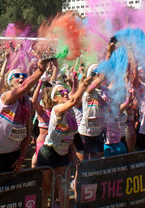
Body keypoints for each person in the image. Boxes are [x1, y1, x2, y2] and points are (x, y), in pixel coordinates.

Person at [0, 59, 49, 174]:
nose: (21, 77)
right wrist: (40, 70)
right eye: (16, 76)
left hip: (14, 153)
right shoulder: (6, 97)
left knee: (10, 186)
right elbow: (24, 88)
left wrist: (22, 156)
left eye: (24, 75)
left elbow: (27, 132)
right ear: (9, 82)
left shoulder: (27, 103)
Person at [37, 77, 92, 208]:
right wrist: (82, 85)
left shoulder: (71, 112)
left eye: (66, 90)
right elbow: (74, 100)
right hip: (48, 153)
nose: (65, 93)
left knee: (64, 187)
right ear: (54, 99)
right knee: (46, 189)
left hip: (62, 154)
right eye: (61, 92)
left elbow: (71, 137)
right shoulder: (57, 110)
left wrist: (73, 154)